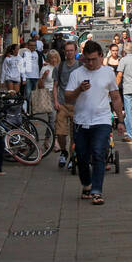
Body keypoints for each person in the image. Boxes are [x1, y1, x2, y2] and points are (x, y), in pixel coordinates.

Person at [65, 40, 124, 206]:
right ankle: (87, 184)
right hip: (81, 121)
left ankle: (97, 191)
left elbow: (115, 97)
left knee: (99, 153)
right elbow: (68, 98)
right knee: (82, 157)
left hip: (102, 120)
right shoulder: (76, 74)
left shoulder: (108, 73)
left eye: (93, 59)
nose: (90, 63)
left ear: (100, 56)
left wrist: (120, 120)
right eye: (87, 60)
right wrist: (79, 90)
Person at [54, 39, 80, 168]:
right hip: (63, 104)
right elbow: (55, 85)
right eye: (67, 51)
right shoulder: (59, 67)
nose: (69, 53)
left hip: (77, 105)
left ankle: (72, 157)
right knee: (61, 133)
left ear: (75, 52)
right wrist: (55, 100)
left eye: (71, 51)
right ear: (64, 52)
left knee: (75, 134)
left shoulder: (81, 66)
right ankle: (63, 152)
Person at [32, 48, 59, 117]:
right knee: (52, 116)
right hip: (48, 93)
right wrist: (44, 76)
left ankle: (50, 128)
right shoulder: (45, 68)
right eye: (51, 58)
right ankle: (51, 127)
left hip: (59, 94)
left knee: (59, 117)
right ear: (49, 59)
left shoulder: (60, 67)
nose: (53, 60)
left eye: (55, 57)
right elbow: (39, 85)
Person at [19, 36, 41, 105]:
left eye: (34, 45)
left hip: (36, 77)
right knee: (28, 95)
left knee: (34, 96)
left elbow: (42, 63)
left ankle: (32, 110)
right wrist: (23, 78)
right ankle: (27, 110)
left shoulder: (38, 54)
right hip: (27, 77)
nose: (33, 47)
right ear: (28, 46)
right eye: (31, 45)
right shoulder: (24, 54)